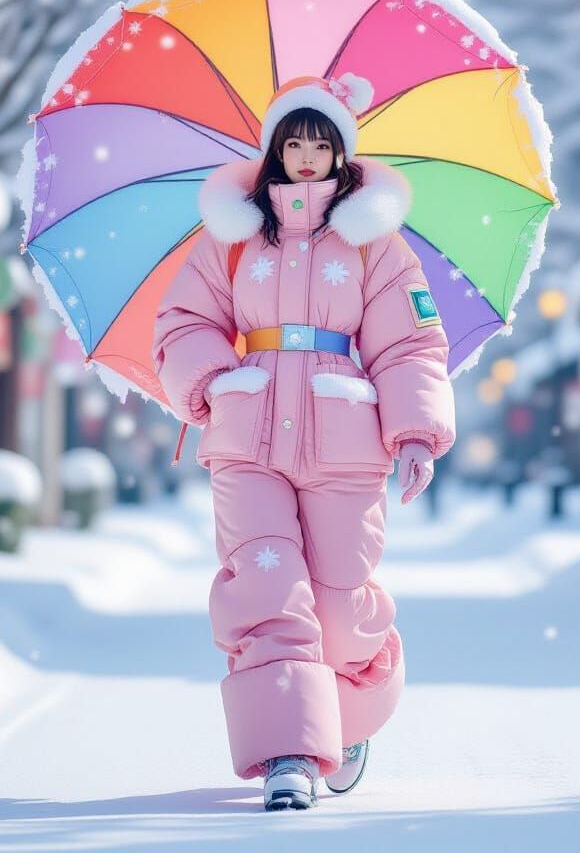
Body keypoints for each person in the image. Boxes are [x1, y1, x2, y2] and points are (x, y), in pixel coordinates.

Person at [151, 73, 456, 811]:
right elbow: (182, 322)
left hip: (344, 436)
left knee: (338, 599)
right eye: (295, 142)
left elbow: (411, 344)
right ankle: (288, 751)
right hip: (247, 431)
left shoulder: (376, 246)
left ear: (341, 155)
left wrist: (415, 432)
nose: (308, 156)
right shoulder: (229, 241)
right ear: (274, 153)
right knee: (264, 584)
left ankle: (344, 720)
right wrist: (216, 380)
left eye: (322, 144)